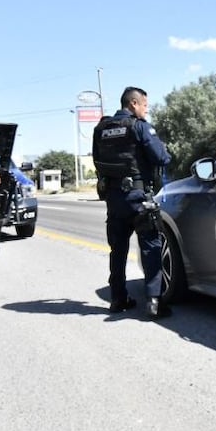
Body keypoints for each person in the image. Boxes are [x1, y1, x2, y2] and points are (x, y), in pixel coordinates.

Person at [92, 86, 172, 318]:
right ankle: (154, 302)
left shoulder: (101, 129)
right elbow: (161, 157)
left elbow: (97, 160)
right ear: (133, 104)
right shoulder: (139, 126)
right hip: (138, 198)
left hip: (114, 199)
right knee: (151, 248)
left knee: (117, 251)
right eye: (145, 105)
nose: (146, 110)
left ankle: (118, 299)